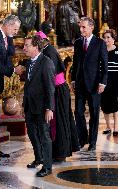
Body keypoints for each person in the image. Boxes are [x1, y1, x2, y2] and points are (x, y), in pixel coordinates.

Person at [35, 31, 80, 162]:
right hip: (58, 89)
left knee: (59, 120)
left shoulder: (49, 52)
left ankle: (60, 152)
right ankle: (57, 151)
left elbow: (50, 75)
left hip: (58, 90)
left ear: (42, 42)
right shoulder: (48, 50)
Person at [0, 14, 23, 158]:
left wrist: (10, 38)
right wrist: (14, 70)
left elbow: (10, 54)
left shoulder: (6, 36)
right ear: (7, 25)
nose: (16, 32)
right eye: (14, 29)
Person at [71, 17, 108, 151]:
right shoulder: (78, 43)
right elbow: (75, 64)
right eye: (80, 27)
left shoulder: (100, 43)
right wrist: (73, 79)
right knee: (78, 113)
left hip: (94, 85)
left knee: (94, 114)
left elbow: (104, 65)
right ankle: (83, 138)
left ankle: (92, 142)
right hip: (80, 84)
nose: (81, 29)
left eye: (83, 27)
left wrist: (103, 82)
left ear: (91, 27)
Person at [23, 35, 55, 177]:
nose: (24, 48)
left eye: (27, 45)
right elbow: (28, 86)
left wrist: (49, 108)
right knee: (32, 133)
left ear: (36, 47)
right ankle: (38, 158)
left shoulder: (46, 62)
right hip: (30, 106)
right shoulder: (29, 63)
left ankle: (47, 166)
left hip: (42, 107)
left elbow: (50, 88)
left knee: (44, 136)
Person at [101, 29, 118, 136]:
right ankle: (108, 126)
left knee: (115, 105)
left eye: (108, 37)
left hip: (115, 83)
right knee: (104, 106)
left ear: (113, 39)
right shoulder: (101, 51)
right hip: (103, 83)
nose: (106, 40)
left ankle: (116, 127)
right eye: (105, 37)